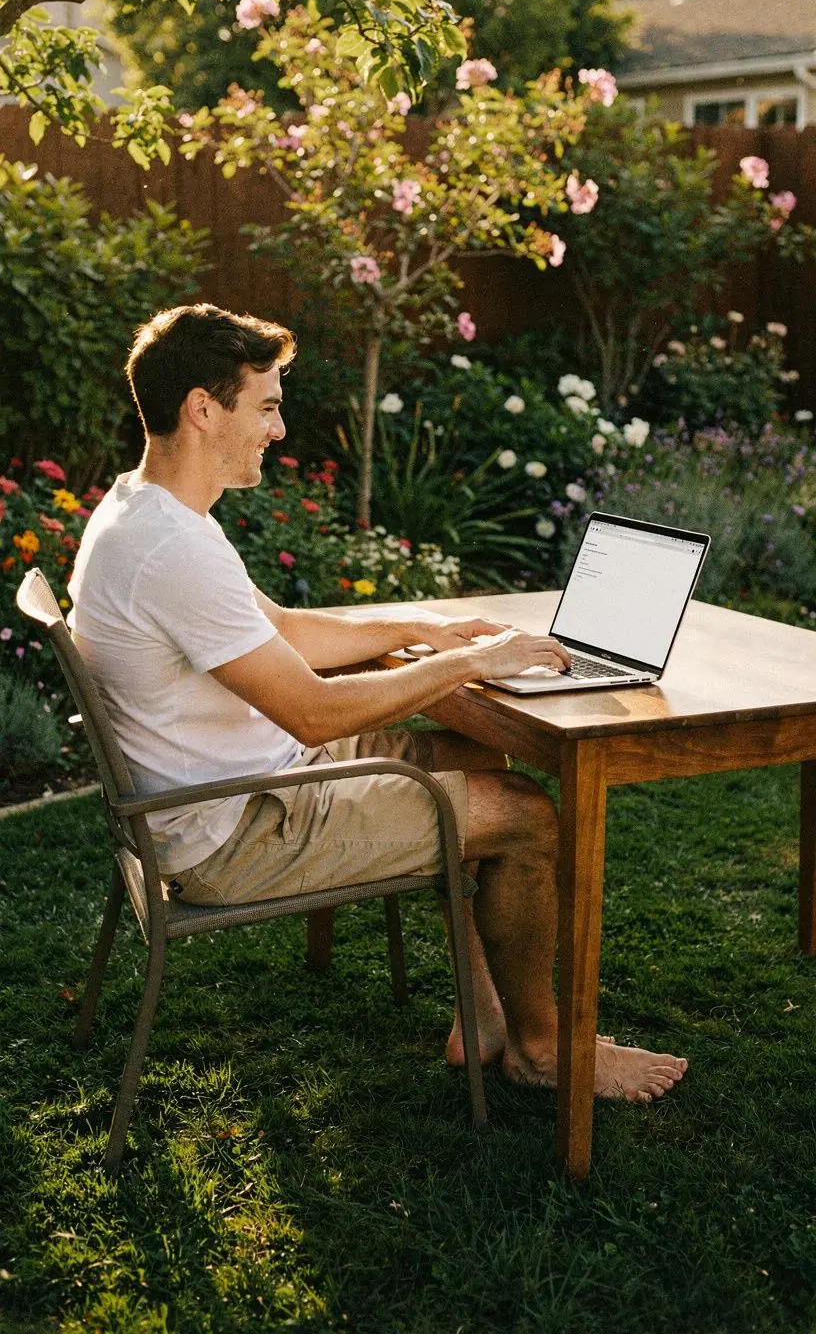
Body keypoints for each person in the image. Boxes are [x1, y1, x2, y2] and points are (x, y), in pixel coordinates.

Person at [68, 303, 688, 1103]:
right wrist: (474, 661)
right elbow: (315, 713)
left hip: (238, 789)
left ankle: (487, 1015)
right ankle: (542, 1048)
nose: (279, 429)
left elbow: (284, 631)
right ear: (201, 409)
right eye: (266, 406)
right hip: (236, 830)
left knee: (474, 758)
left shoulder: (143, 512)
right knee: (528, 817)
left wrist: (426, 628)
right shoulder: (170, 549)